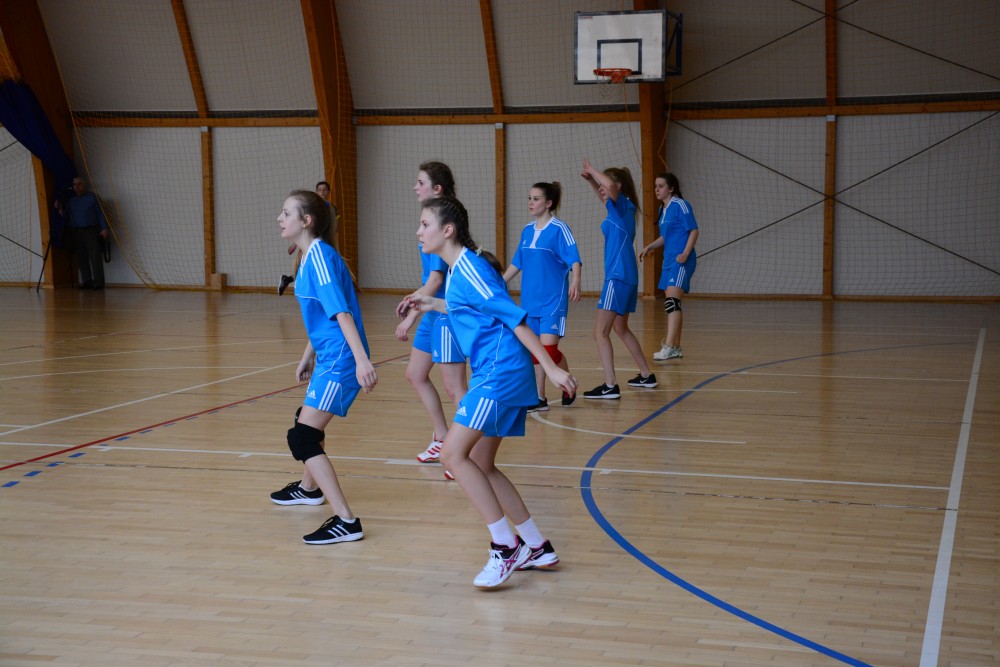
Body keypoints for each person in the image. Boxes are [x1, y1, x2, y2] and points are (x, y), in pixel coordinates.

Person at [404, 196, 576, 588]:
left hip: (501, 372)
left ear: (448, 230)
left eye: (425, 224)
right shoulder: (459, 271)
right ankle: (536, 545)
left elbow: (515, 319)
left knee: (451, 454)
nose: (419, 231)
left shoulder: (471, 267)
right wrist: (432, 303)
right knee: (481, 463)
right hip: (497, 371)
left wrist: (550, 367)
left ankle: (505, 546)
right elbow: (471, 308)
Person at [268, 189, 378, 545]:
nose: (280, 218)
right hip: (330, 354)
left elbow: (342, 313)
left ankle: (346, 521)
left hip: (342, 359)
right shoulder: (310, 257)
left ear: (306, 220)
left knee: (302, 436)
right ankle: (309, 489)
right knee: (304, 419)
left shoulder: (318, 259)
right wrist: (309, 353)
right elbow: (322, 316)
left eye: (287, 213)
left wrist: (361, 361)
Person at [394, 161, 467, 473]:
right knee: (415, 373)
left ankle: (463, 452)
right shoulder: (428, 222)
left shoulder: (442, 224)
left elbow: (436, 280)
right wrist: (415, 301)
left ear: (437, 189)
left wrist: (410, 316)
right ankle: (441, 437)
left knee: (455, 388)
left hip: (444, 313)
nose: (415, 186)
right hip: (430, 311)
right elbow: (429, 280)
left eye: (421, 182)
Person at [579, 159, 656, 398]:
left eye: (605, 185)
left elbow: (610, 187)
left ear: (618, 186)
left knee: (600, 332)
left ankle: (610, 385)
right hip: (627, 276)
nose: (602, 189)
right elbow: (605, 192)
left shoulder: (622, 203)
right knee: (621, 328)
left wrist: (592, 170)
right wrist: (593, 182)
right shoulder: (621, 208)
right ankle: (646, 375)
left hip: (617, 276)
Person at [502, 182, 581, 410]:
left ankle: (555, 389)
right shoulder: (527, 230)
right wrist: (499, 283)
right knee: (536, 352)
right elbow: (517, 262)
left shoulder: (559, 229)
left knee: (547, 352)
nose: (530, 202)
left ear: (548, 203)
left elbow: (574, 258)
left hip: (552, 302)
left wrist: (576, 280)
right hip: (530, 302)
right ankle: (544, 395)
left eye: (536, 199)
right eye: (529, 198)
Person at [639, 173, 699, 361]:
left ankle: (670, 346)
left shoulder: (680, 205)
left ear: (671, 188)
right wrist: (650, 246)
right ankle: (676, 347)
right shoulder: (662, 210)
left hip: (681, 260)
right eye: (655, 186)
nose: (657, 189)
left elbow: (694, 230)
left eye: (661, 186)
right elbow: (666, 236)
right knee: (673, 303)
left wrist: (686, 253)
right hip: (668, 261)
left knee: (672, 302)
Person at [54, 177, 109, 290]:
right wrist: (59, 209)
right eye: (74, 184)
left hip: (91, 231)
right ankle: (87, 281)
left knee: (95, 257)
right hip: (76, 232)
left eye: (79, 184)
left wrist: (104, 228)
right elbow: (66, 216)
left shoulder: (92, 197)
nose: (77, 187)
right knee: (81, 258)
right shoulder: (71, 201)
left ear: (85, 185)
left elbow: (100, 214)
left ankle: (98, 282)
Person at [279, 181, 333, 296]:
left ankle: (288, 279)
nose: (322, 192)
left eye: (325, 190)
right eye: (319, 190)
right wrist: (295, 243)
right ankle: (288, 279)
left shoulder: (322, 255)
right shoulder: (309, 208)